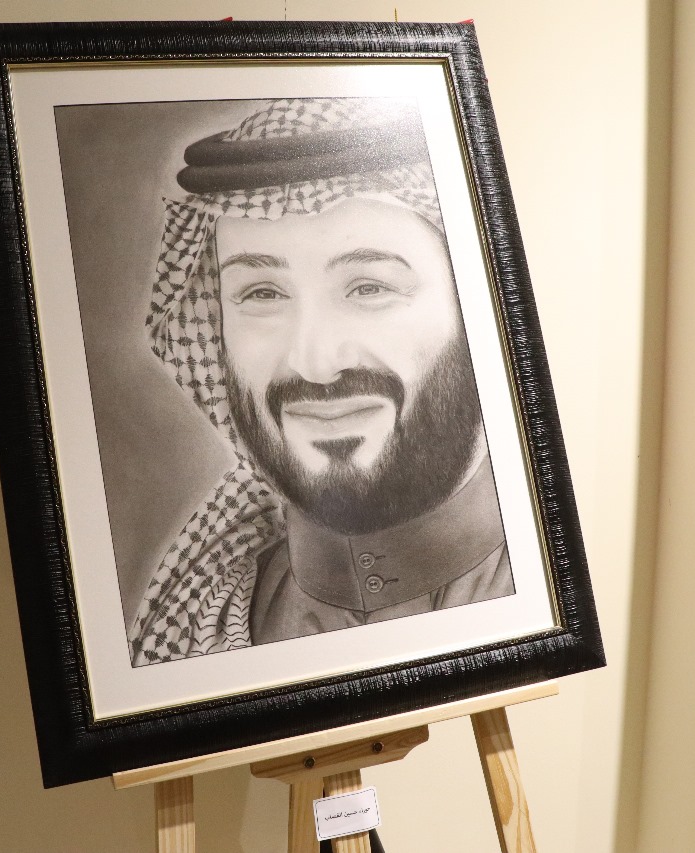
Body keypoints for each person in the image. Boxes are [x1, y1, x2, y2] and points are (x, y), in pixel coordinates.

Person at [128, 98, 513, 666]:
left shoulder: (538, 584)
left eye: (369, 288)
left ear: (473, 308)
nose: (315, 364)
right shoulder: (201, 612)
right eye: (262, 293)